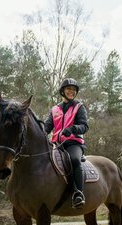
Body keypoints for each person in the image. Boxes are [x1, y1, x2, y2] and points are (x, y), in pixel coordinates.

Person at [44, 78, 89, 208]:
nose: (72, 92)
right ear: (62, 91)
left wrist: (73, 129)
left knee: (74, 160)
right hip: (56, 144)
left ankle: (79, 193)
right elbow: (47, 127)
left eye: (74, 90)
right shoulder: (54, 109)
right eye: (69, 89)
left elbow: (84, 126)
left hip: (73, 143)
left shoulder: (79, 107)